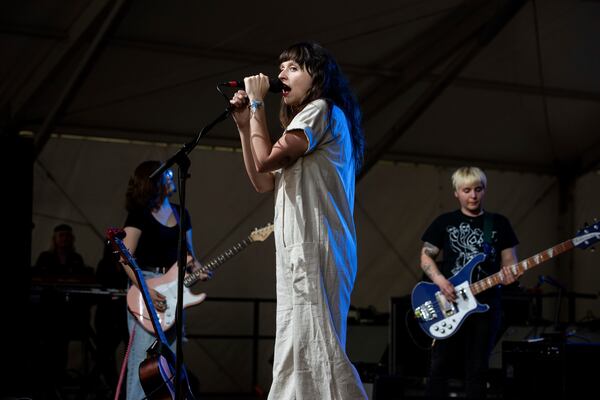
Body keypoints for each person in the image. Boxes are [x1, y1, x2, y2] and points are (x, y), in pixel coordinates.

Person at [229, 41, 367, 399]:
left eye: (292, 67)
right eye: (281, 68)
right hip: (298, 248)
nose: (280, 75)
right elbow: (263, 182)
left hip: (316, 244)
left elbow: (265, 161)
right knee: (296, 349)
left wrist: (257, 103)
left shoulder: (321, 109)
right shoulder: (307, 122)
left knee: (320, 348)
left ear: (316, 76)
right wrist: (246, 126)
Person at [419, 166, 522, 399]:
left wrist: (511, 275)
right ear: (456, 192)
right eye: (467, 190)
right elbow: (426, 256)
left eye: (478, 189)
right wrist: (440, 281)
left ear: (484, 190)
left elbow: (509, 263)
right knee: (440, 365)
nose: (473, 196)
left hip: (486, 304)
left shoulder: (499, 223)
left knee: (478, 367)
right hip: (449, 301)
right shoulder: (444, 222)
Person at [119, 160, 209, 400]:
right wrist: (146, 289)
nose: (171, 176)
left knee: (169, 362)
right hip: (145, 284)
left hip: (174, 291)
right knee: (142, 361)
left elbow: (189, 256)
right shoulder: (139, 214)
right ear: (154, 181)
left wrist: (198, 269)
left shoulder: (182, 213)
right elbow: (125, 257)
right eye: (166, 173)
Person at [32, 224, 94, 387]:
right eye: (61, 236)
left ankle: (60, 376)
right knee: (47, 344)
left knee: (63, 343)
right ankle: (46, 377)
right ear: (55, 239)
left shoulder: (76, 258)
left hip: (69, 314)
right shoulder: (45, 257)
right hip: (48, 312)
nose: (64, 239)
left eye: (67, 236)